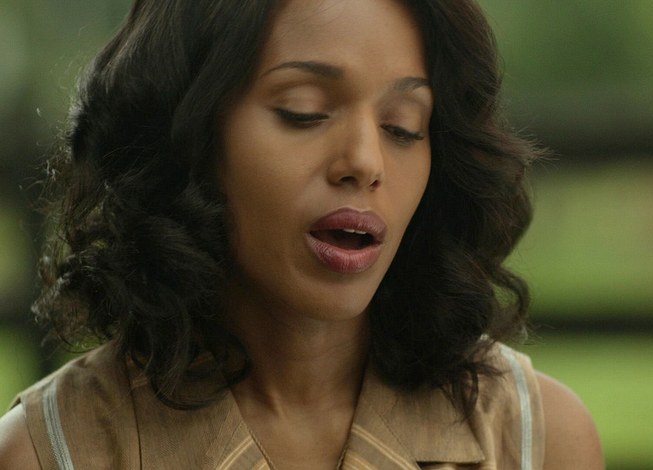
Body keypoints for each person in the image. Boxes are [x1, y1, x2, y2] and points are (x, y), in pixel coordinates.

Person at [0, 0, 604, 468]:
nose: (365, 161)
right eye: (304, 111)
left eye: (402, 127)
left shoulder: (538, 440)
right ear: (188, 136)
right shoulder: (50, 452)